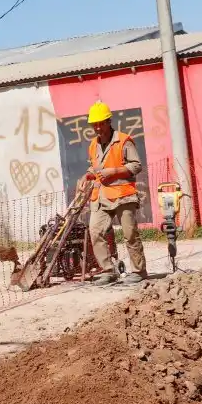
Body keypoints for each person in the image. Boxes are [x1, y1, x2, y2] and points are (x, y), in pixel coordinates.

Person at [83, 101, 147, 286]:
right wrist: (87, 175)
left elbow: (136, 165)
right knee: (95, 231)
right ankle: (108, 270)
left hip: (123, 195)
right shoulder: (93, 145)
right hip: (102, 196)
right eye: (94, 124)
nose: (97, 128)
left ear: (108, 121)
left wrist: (114, 171)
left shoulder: (124, 141)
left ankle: (139, 271)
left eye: (100, 123)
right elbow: (94, 167)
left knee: (130, 234)